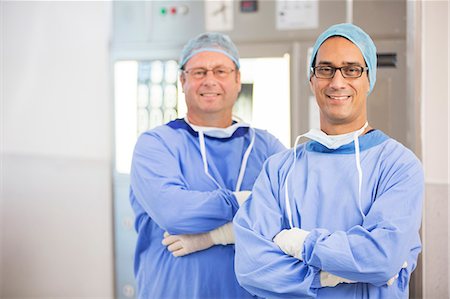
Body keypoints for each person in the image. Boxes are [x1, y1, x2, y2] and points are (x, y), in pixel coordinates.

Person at [233, 23, 424, 298]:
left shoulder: (399, 166)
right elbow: (251, 266)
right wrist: (330, 275)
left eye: (351, 69)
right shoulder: (279, 170)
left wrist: (302, 244)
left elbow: (382, 257)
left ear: (369, 79)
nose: (337, 82)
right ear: (312, 80)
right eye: (326, 69)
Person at [129, 32, 286, 299]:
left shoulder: (267, 147)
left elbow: (289, 216)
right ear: (183, 80)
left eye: (220, 71)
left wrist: (214, 235)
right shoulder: (156, 144)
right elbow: (174, 213)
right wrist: (246, 202)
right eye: (199, 72)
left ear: (237, 79)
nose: (210, 80)